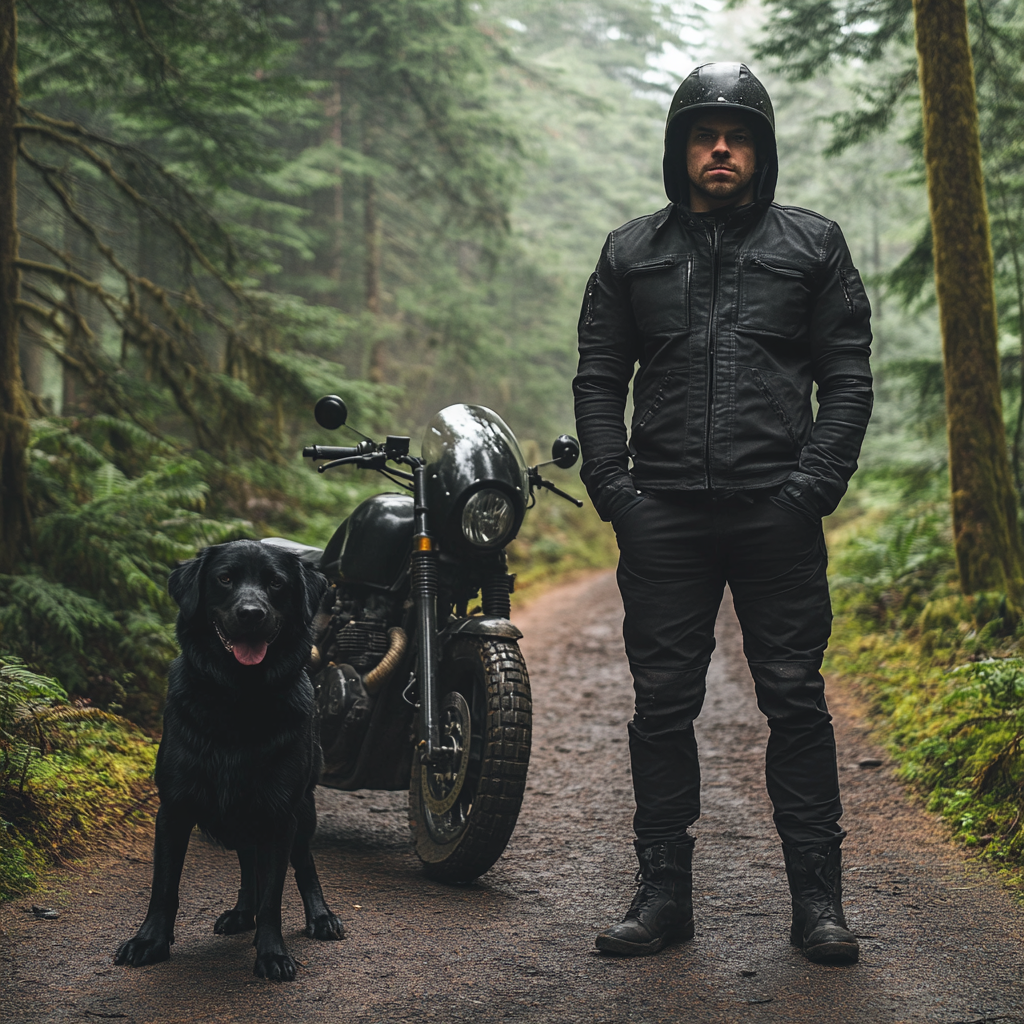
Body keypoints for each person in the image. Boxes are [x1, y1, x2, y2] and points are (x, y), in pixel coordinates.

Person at [572, 62, 873, 965]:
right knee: (662, 708)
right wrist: (616, 492)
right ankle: (663, 896)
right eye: (703, 135)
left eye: (737, 136)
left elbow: (847, 380)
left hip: (776, 513)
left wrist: (811, 489)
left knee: (794, 700)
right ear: (678, 149)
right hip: (661, 516)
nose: (719, 149)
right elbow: (598, 379)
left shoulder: (814, 247)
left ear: (761, 150)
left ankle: (819, 904)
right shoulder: (630, 253)